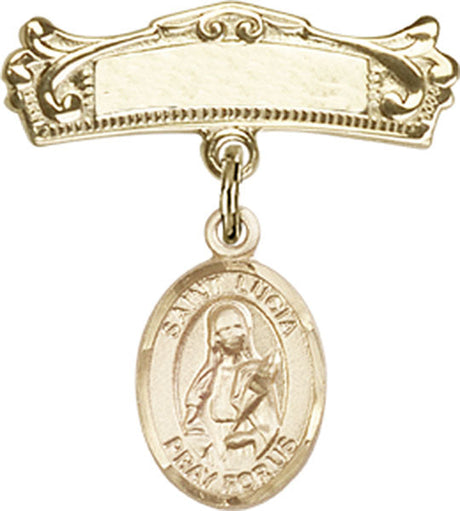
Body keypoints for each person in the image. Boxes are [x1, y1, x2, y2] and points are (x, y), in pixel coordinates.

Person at [183, 300, 281, 470]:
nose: (233, 333)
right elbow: (192, 418)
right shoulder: (209, 376)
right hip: (213, 451)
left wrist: (248, 436)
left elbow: (270, 425)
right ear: (215, 336)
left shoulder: (255, 373)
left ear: (246, 330)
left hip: (243, 453)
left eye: (237, 326)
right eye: (226, 329)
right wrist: (206, 446)